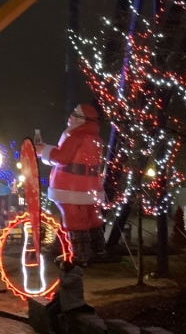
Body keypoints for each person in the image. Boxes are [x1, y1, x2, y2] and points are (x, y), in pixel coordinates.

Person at [36, 104, 107, 264]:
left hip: (71, 186)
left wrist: (43, 150)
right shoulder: (96, 139)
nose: (71, 116)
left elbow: (62, 158)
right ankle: (99, 250)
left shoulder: (75, 137)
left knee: (75, 220)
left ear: (82, 120)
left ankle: (79, 255)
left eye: (75, 114)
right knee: (92, 219)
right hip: (92, 186)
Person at [45, 258, 94, 333]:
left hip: (71, 302)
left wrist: (61, 273)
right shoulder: (68, 275)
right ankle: (53, 328)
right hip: (65, 300)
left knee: (52, 312)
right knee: (48, 308)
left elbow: (64, 284)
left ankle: (56, 330)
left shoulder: (74, 277)